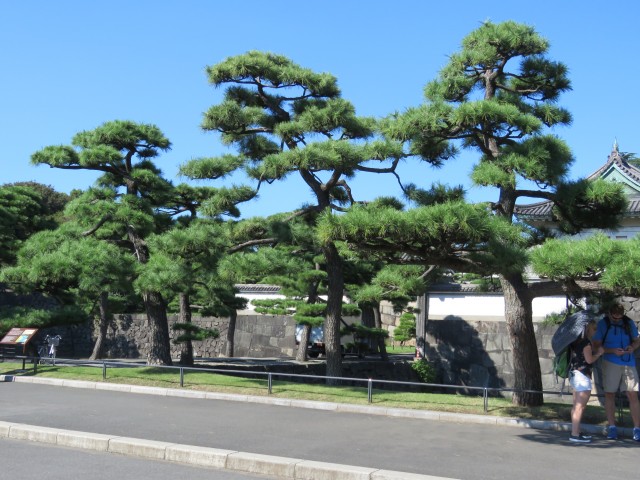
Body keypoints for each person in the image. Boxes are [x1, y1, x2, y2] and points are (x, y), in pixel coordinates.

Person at [591, 303, 640, 441]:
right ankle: (612, 427)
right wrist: (612, 351)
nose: (617, 319)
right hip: (610, 361)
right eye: (615, 317)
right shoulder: (603, 324)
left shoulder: (628, 322)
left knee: (633, 394)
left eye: (620, 317)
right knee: (609, 394)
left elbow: (637, 340)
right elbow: (596, 345)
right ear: (610, 313)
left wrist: (632, 347)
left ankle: (637, 429)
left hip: (628, 362)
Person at [568, 320, 604, 443]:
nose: (596, 331)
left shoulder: (577, 342)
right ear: (589, 329)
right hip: (582, 376)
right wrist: (598, 353)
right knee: (580, 406)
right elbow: (589, 360)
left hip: (574, 374)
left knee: (576, 405)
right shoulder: (586, 343)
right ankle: (575, 434)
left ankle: (576, 431)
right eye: (594, 329)